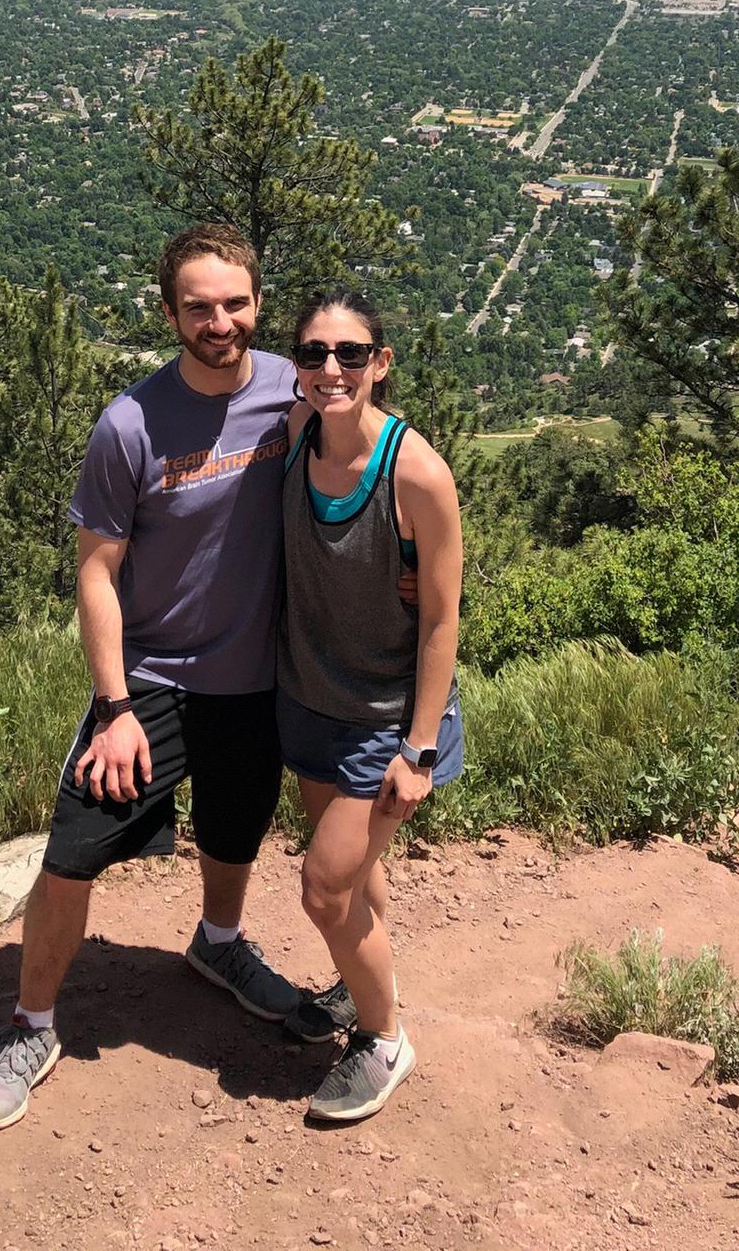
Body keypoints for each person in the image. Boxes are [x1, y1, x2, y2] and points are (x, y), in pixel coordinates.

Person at [0, 222, 304, 1130]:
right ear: (169, 313)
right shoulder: (130, 424)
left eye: (234, 303)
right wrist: (114, 706)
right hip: (150, 679)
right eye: (199, 307)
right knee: (75, 852)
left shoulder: (295, 391)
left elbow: (369, 472)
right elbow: (96, 571)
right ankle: (31, 1022)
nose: (219, 321)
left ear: (257, 304)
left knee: (236, 832)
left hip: (255, 677)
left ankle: (219, 945)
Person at [275, 286, 464, 1124]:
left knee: (323, 887)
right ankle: (361, 989)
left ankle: (384, 1039)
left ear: (379, 365)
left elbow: (442, 618)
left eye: (350, 354)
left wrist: (420, 748)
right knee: (356, 878)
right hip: (311, 700)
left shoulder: (414, 472)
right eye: (314, 354)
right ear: (297, 368)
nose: (331, 370)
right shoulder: (290, 439)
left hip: (387, 720)